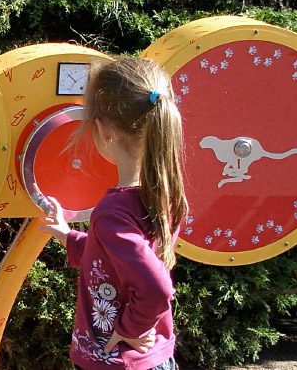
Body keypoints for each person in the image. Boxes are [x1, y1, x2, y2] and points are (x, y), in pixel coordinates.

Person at [39, 57, 187, 370]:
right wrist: (70, 237)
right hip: (154, 357)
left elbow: (157, 288)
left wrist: (129, 330)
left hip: (116, 360)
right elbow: (117, 260)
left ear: (105, 132)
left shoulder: (112, 213)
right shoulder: (165, 195)